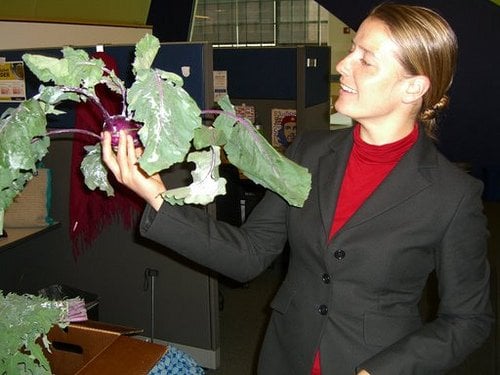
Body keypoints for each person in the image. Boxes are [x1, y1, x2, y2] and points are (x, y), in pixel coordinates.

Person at [101, 3, 493, 374]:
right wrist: (155, 195)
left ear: (413, 88)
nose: (342, 64)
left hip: (376, 359)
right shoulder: (309, 151)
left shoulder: (452, 195)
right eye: (351, 50)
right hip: (288, 354)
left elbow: (469, 320)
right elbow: (251, 253)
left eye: (365, 59)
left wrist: (385, 369)